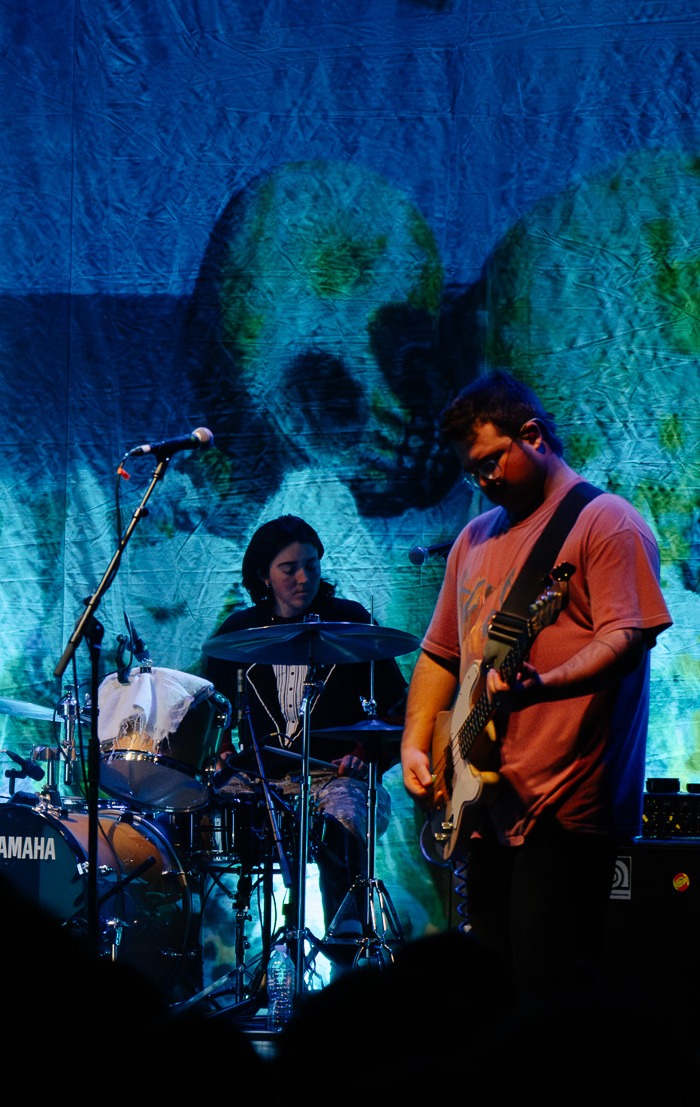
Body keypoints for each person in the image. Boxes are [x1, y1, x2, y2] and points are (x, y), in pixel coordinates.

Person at [400, 371, 670, 1000]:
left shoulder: (606, 523)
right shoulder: (473, 538)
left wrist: (541, 684)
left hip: (566, 811)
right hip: (484, 808)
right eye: (471, 471)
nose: (483, 480)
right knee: (493, 998)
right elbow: (440, 654)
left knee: (551, 999)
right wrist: (414, 744)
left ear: (534, 435)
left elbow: (624, 640)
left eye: (491, 461)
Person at [205, 515, 407, 938]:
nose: (304, 578)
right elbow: (214, 711)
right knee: (201, 817)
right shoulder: (240, 632)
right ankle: (215, 949)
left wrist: (364, 754)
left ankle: (345, 942)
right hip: (260, 777)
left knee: (344, 820)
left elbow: (398, 709)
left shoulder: (349, 621)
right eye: (289, 568)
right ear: (263, 574)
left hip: (334, 776)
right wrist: (221, 748)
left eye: (312, 566)